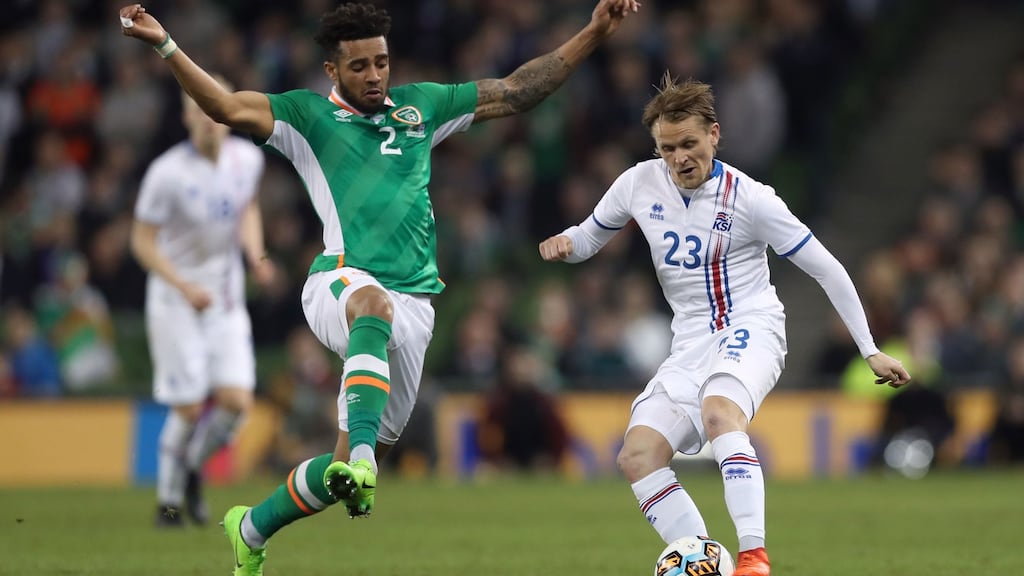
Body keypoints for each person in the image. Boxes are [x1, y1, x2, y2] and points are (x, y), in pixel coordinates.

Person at [118, 0, 640, 573]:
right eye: (360, 66)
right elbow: (221, 105)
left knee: (341, 472)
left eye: (382, 63)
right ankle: (362, 456)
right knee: (372, 309)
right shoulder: (306, 117)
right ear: (332, 71)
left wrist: (593, 33)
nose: (374, 76)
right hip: (339, 282)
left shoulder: (423, 107)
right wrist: (164, 43)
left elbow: (517, 90)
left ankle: (250, 528)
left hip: (415, 306)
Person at [538, 74, 911, 576]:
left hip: (751, 326)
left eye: (689, 144)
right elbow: (587, 238)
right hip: (689, 342)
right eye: (667, 148)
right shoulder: (636, 184)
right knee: (638, 455)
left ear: (715, 134)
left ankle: (754, 558)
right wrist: (564, 243)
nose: (678, 158)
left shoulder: (753, 200)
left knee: (719, 414)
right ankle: (704, 561)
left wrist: (869, 348)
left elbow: (828, 268)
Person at [130, 76, 274, 528]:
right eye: (200, 109)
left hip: (225, 299)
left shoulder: (247, 160)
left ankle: (191, 467)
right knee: (190, 407)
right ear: (188, 116)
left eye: (218, 108)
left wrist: (256, 254)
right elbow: (142, 242)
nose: (210, 117)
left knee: (237, 402)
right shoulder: (167, 173)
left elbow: (248, 208)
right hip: (176, 301)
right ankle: (168, 504)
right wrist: (183, 285)